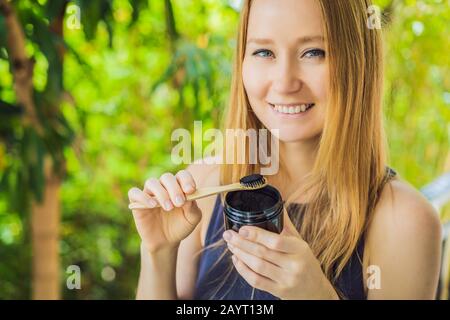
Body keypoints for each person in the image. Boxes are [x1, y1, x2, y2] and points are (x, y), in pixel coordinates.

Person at [127, 0, 442, 300]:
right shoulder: (205, 186)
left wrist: (316, 294)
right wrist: (158, 254)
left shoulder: (404, 221)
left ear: (358, 61)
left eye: (313, 52)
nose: (284, 82)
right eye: (264, 52)